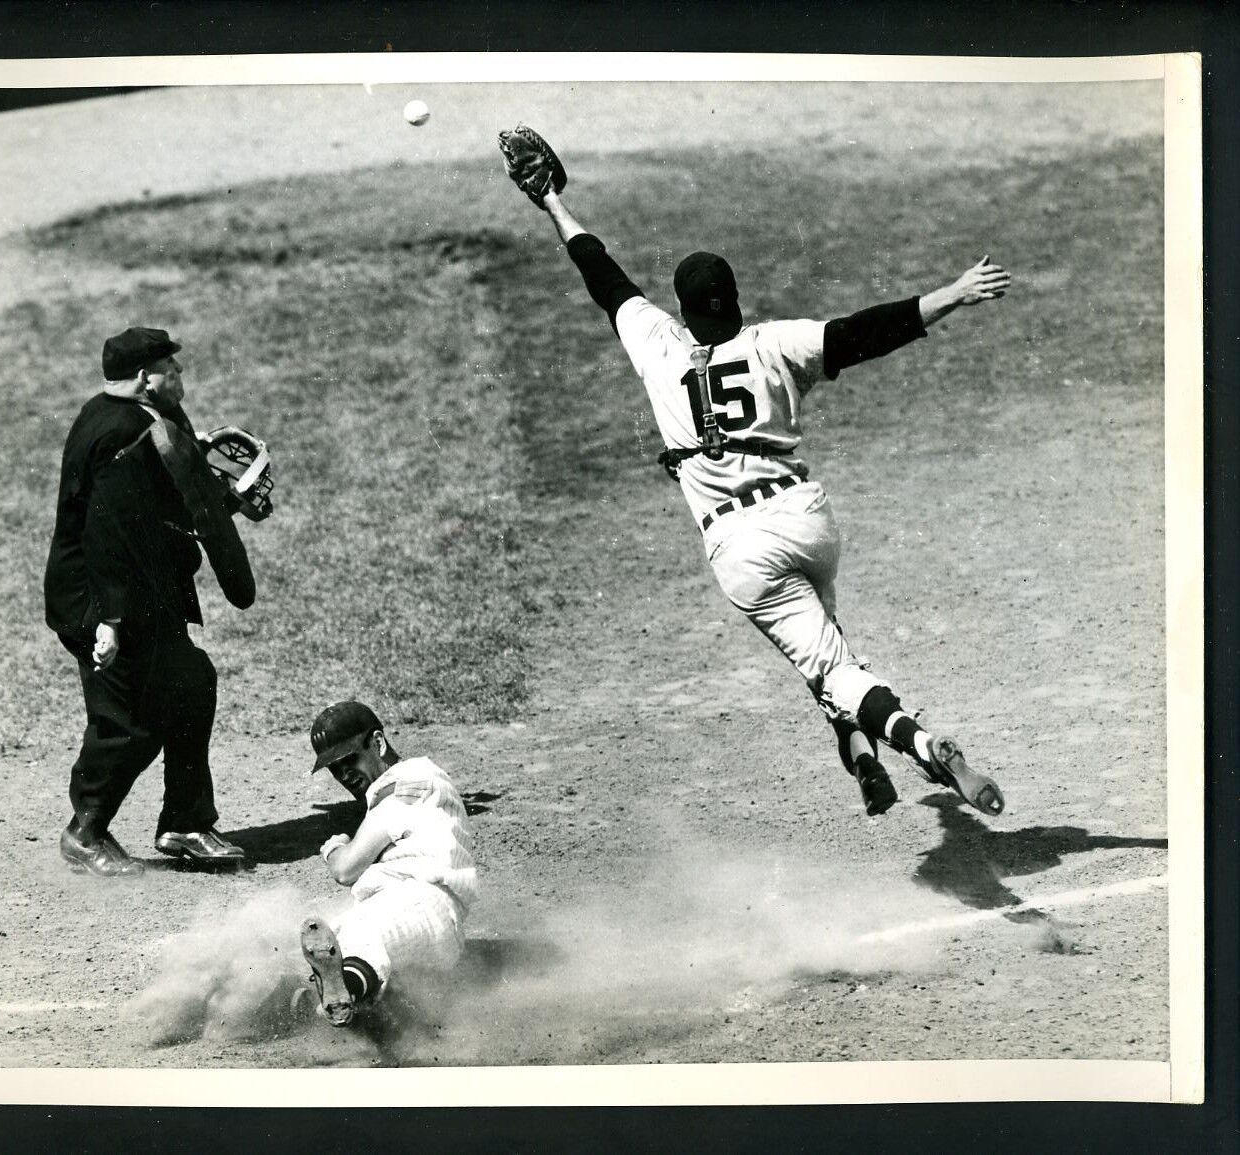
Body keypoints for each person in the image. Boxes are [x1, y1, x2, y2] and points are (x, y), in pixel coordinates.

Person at [508, 171, 1011, 819]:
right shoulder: (773, 342)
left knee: (831, 668)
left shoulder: (656, 346)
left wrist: (550, 200)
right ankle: (862, 750)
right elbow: (863, 333)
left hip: (741, 548)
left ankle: (919, 743)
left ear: (682, 312)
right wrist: (951, 293)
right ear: (734, 300)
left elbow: (602, 274)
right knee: (831, 653)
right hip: (805, 517)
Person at [43, 326, 259, 875]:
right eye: (174, 369)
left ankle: (186, 822)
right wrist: (109, 622)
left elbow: (155, 518)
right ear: (146, 378)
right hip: (101, 600)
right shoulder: (120, 435)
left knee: (190, 684)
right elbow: (107, 533)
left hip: (142, 593)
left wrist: (218, 501)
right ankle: (84, 833)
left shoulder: (130, 419)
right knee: (129, 721)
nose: (181, 378)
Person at [297, 701, 478, 1026]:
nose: (343, 774)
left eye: (349, 759)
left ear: (378, 743)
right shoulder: (399, 790)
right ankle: (326, 998)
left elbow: (345, 869)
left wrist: (335, 848)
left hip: (426, 903)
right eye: (334, 769)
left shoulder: (412, 780)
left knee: (363, 935)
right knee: (324, 941)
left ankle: (344, 990)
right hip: (408, 914)